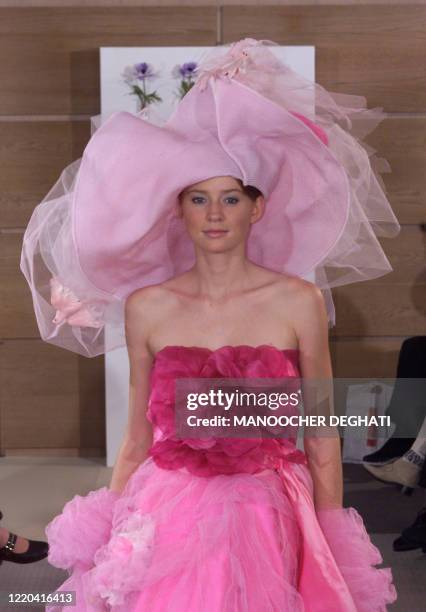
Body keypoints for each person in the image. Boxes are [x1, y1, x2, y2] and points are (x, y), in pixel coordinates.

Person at [20, 38, 400, 610]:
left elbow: (321, 430)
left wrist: (327, 532)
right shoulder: (147, 306)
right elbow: (138, 435)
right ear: (179, 210)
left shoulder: (298, 302)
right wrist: (109, 519)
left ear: (258, 208)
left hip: (268, 507)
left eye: (230, 198)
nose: (215, 215)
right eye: (198, 199)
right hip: (167, 504)